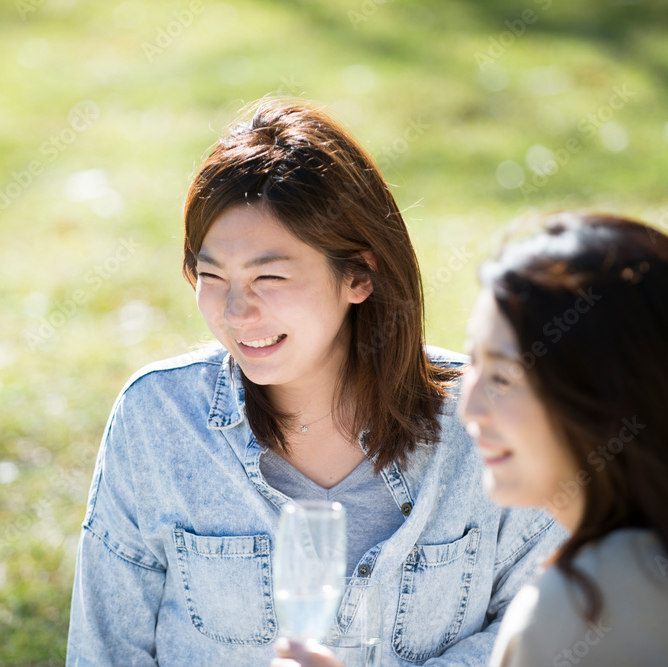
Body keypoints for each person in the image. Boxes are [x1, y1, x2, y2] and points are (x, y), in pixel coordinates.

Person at [64, 98, 566, 666]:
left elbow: (544, 634)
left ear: (360, 275)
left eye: (270, 276)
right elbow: (105, 651)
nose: (235, 311)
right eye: (212, 275)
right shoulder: (158, 418)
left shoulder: (484, 419)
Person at [277, 212, 668, 667]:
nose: (468, 407)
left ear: (607, 397)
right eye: (472, 364)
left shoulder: (576, 608)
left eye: (503, 377)